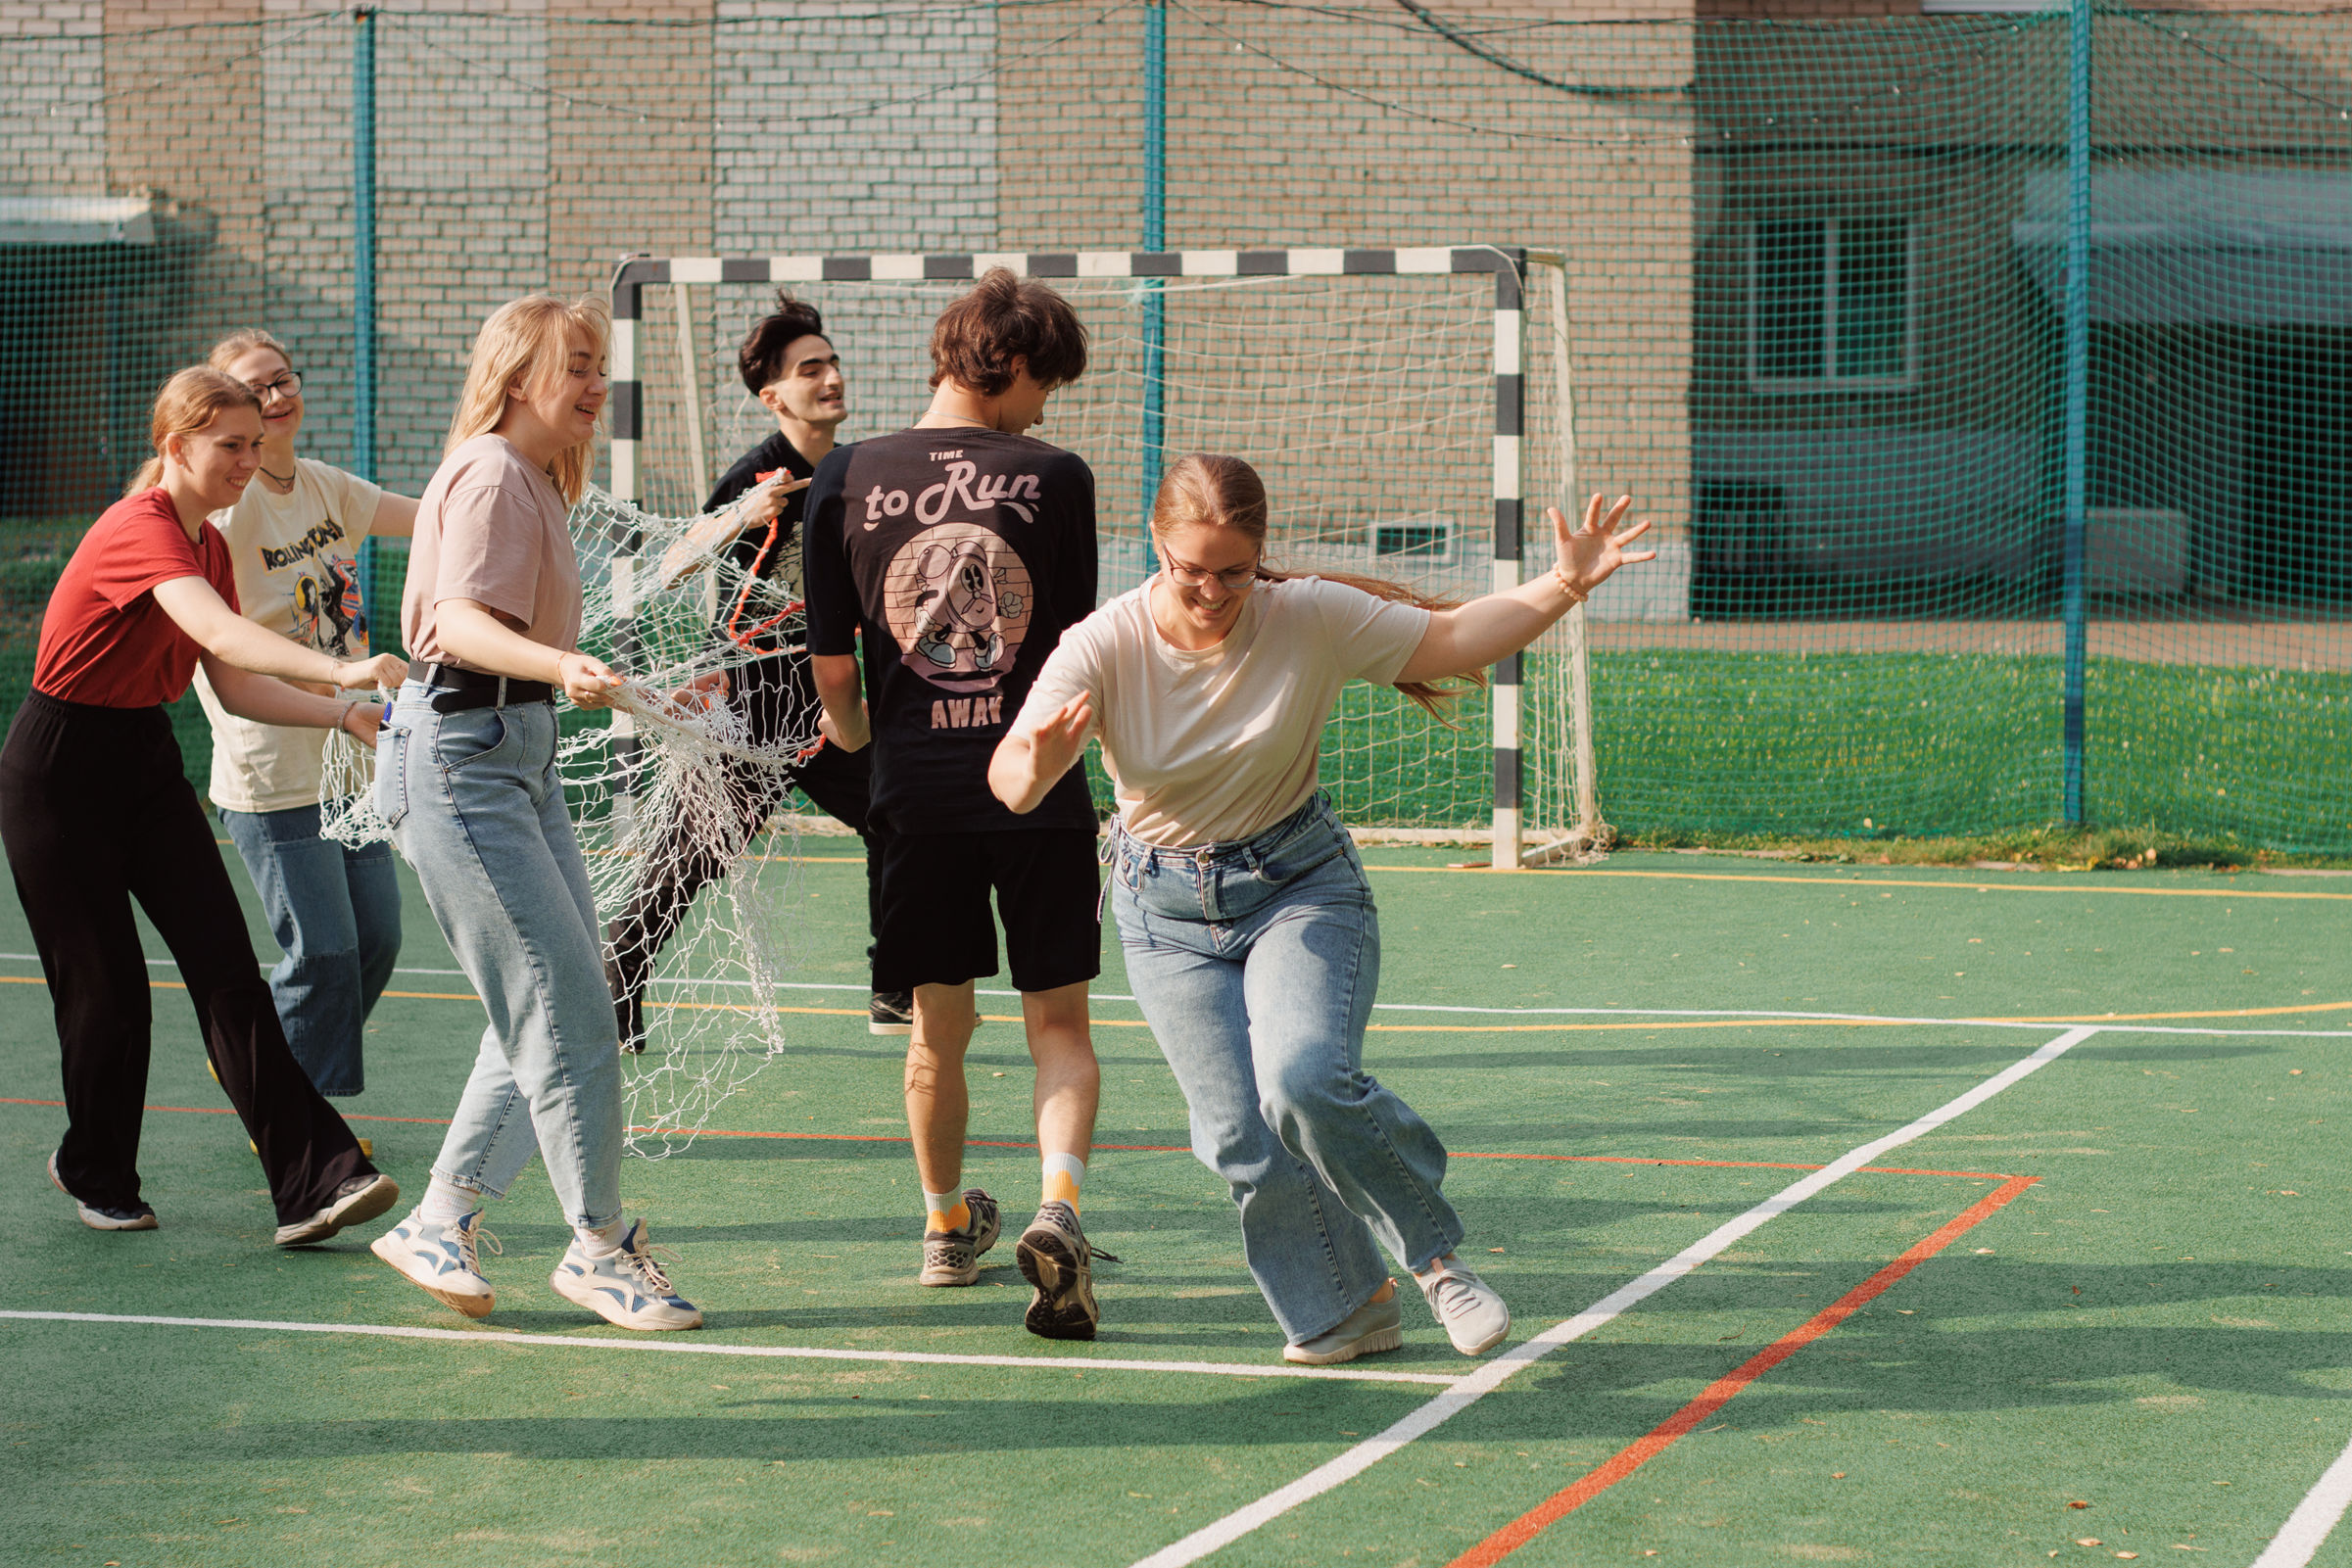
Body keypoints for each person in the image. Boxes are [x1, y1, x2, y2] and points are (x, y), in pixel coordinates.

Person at [990, 453, 1652, 1364]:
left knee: (1300, 1077)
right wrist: (1038, 762)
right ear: (1156, 547)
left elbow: (1454, 639)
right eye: (1191, 569)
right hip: (1162, 908)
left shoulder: (1306, 616)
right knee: (1237, 1138)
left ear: (1260, 554)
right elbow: (1010, 784)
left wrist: (1565, 582)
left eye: (1234, 569)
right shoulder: (1101, 644)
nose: (1213, 590)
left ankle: (1435, 1263)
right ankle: (1347, 1308)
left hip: (1296, 884)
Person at [2, 366, 406, 1245]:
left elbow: (235, 680)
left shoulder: (210, 546)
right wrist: (343, 668)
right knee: (107, 994)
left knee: (227, 968)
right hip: (58, 770)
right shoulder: (138, 528)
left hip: (141, 759)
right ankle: (94, 1166)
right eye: (231, 444)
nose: (247, 460)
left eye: (254, 444)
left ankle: (315, 1183)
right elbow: (222, 633)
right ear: (175, 445)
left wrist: (345, 714)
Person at [365, 293, 701, 1333]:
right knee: (566, 1002)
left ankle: (441, 1215)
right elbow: (458, 623)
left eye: (600, 365)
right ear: (519, 378)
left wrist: (642, 691)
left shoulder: (534, 480)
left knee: (550, 996)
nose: (598, 384)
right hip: (466, 757)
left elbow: (535, 652)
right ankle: (598, 1245)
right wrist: (562, 663)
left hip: (512, 749)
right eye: (580, 365)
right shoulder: (489, 472)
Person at [803, 268, 1110, 1340]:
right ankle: (1056, 1204)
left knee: (937, 1030)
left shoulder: (843, 473)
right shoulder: (1056, 476)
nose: (1044, 411)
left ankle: (943, 1227)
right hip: (1037, 787)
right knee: (1058, 1023)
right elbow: (1076, 649)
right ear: (1012, 363)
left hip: (914, 799)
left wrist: (860, 746)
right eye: (1045, 386)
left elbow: (832, 668)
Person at [602, 291, 910, 1051]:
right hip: (751, 701)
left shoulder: (851, 471)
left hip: (824, 698)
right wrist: (745, 512)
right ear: (773, 395)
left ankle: (894, 985)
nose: (831, 377)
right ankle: (616, 974)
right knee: (691, 857)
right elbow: (672, 562)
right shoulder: (760, 475)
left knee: (898, 818)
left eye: (833, 363)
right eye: (812, 369)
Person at [192, 328, 417, 1100]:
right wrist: (336, 679)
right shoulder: (224, 512)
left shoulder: (325, 486)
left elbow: (435, 517)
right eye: (255, 390)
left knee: (376, 939)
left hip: (351, 756)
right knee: (322, 951)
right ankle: (299, 1122)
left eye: (283, 380)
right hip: (273, 764)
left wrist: (518, 478)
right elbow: (224, 646)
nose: (276, 397)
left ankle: (266, 1069)